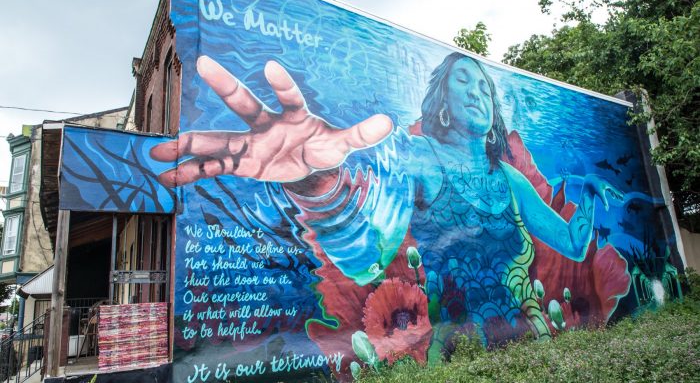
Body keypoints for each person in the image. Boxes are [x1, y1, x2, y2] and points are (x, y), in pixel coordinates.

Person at [151, 52, 622, 344]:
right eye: (464, 82)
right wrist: (317, 187)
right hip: (458, 354)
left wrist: (588, 196)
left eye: (485, 87)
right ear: (441, 100)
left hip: (537, 342)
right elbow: (365, 262)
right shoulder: (419, 159)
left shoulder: (511, 180)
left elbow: (574, 244)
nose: (478, 92)